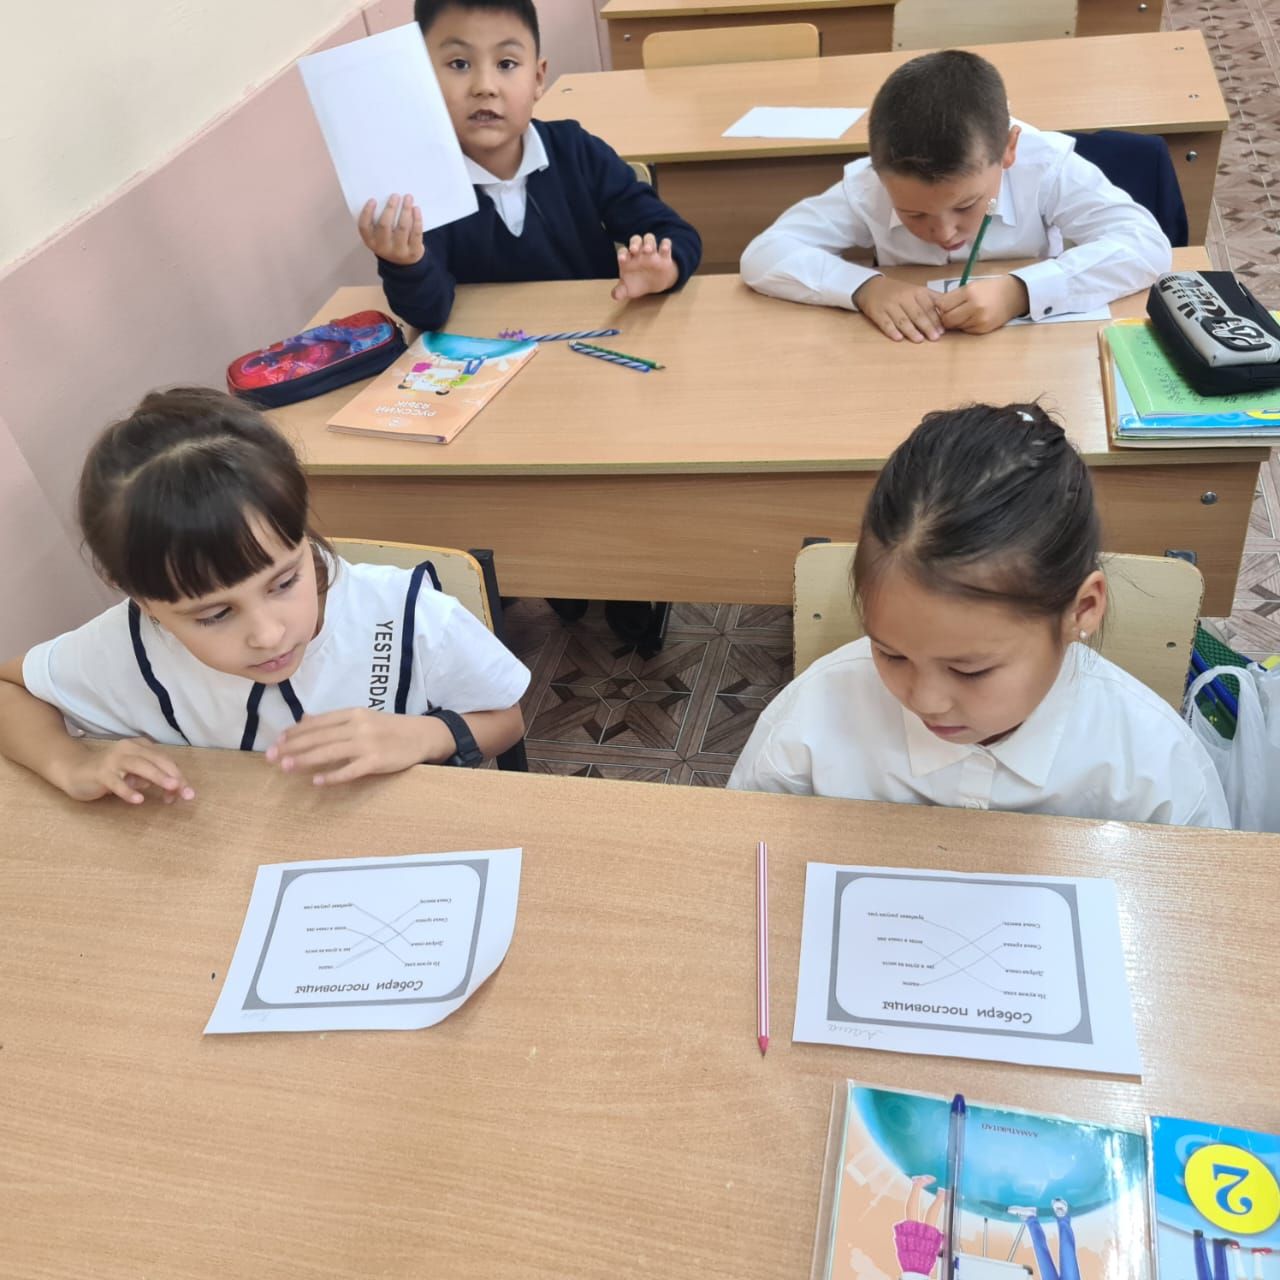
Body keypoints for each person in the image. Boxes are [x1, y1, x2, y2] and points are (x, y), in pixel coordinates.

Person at [0, 388, 529, 804]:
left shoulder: (405, 612)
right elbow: (10, 690)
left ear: (301, 527)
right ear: (138, 597)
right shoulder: (128, 645)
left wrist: (426, 736)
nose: (268, 634)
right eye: (214, 614)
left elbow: (506, 721)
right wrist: (71, 763)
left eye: (283, 582)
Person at [727, 403, 1230, 828]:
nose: (925, 701)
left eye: (970, 670)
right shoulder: (811, 719)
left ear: (1081, 610)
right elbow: (747, 846)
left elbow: (1202, 894)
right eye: (890, 654)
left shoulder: (1153, 766)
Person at [739, 49, 1172, 343]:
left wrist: (1022, 292)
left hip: (1030, 350)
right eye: (913, 214)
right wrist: (865, 288)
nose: (945, 233)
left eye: (965, 205)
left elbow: (1145, 244)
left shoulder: (1045, 167)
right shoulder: (870, 187)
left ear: (1008, 150)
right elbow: (765, 253)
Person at [358, 0, 703, 333]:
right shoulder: (424, 186)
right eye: (459, 64)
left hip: (596, 341)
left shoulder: (575, 151)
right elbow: (428, 314)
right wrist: (406, 264)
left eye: (506, 64)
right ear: (424, 79)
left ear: (538, 78)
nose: (485, 87)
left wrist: (664, 268)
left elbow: (676, 233)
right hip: (485, 358)